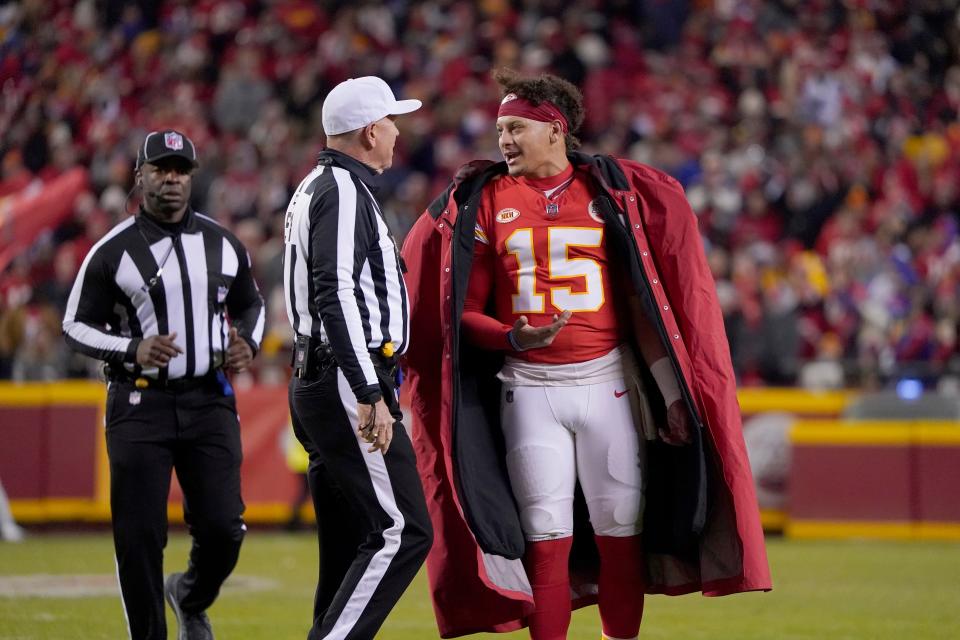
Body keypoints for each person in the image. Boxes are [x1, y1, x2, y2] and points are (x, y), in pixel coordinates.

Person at [400, 69, 771, 639]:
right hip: (528, 389)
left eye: (515, 127)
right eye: (500, 128)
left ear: (554, 129)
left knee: (620, 537)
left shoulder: (608, 194)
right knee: (547, 543)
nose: (502, 139)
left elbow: (642, 309)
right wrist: (513, 337)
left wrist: (672, 394)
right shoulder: (487, 199)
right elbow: (465, 315)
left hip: (608, 385)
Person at [62, 129, 265, 640]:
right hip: (138, 403)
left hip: (208, 398)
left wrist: (248, 342)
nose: (171, 179)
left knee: (224, 528)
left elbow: (251, 304)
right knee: (139, 537)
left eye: (180, 170)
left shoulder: (222, 242)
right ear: (141, 176)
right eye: (160, 169)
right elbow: (75, 324)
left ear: (192, 177)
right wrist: (132, 349)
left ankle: (191, 595)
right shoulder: (113, 250)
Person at [282, 76, 433, 640]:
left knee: (349, 542)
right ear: (371, 130)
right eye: (392, 121)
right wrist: (370, 390)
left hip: (323, 375)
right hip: (347, 377)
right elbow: (335, 289)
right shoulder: (343, 190)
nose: (397, 132)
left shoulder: (318, 185)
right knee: (403, 529)